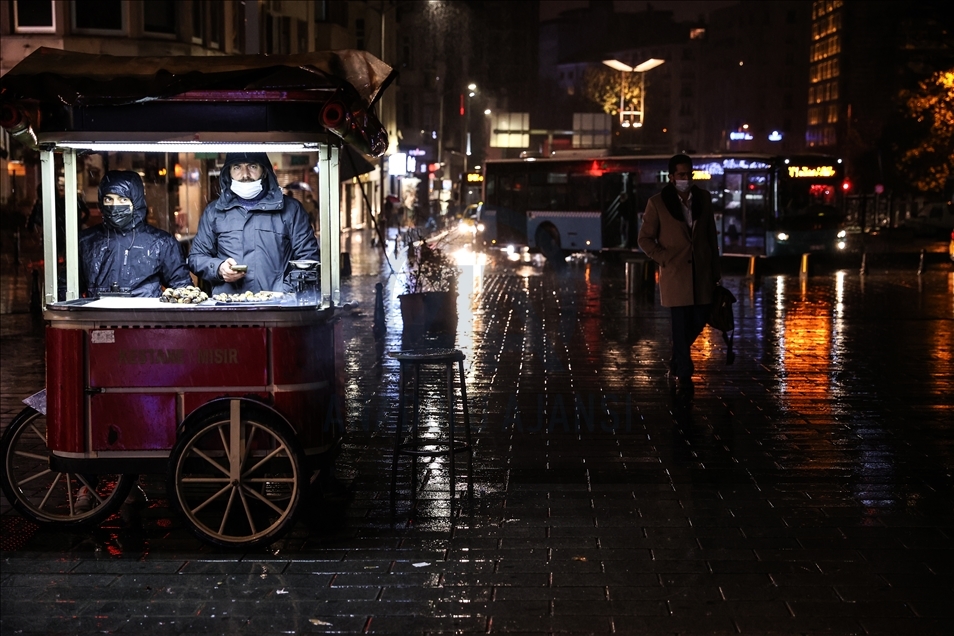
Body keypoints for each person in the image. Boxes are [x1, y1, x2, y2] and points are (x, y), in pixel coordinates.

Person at [637, 154, 721, 389]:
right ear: (672, 177)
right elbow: (644, 239)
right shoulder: (658, 202)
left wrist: (715, 270)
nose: (686, 178)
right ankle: (684, 370)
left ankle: (677, 358)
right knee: (680, 322)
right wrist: (664, 258)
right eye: (681, 174)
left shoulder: (703, 198)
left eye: (689, 174)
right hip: (675, 274)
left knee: (701, 316)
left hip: (702, 273)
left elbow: (710, 237)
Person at [188, 152, 319, 295]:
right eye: (237, 167)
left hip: (278, 309)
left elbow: (309, 259)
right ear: (228, 173)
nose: (245, 175)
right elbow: (196, 258)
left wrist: (285, 291)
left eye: (252, 166)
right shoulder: (214, 212)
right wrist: (218, 268)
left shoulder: (291, 210)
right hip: (230, 308)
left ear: (264, 171)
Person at [79, 170, 191, 298]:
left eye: (123, 199)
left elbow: (182, 289)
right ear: (101, 201)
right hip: (96, 316)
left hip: (146, 316)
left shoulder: (161, 243)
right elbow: (67, 288)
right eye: (108, 199)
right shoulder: (87, 241)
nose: (115, 206)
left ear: (136, 202)